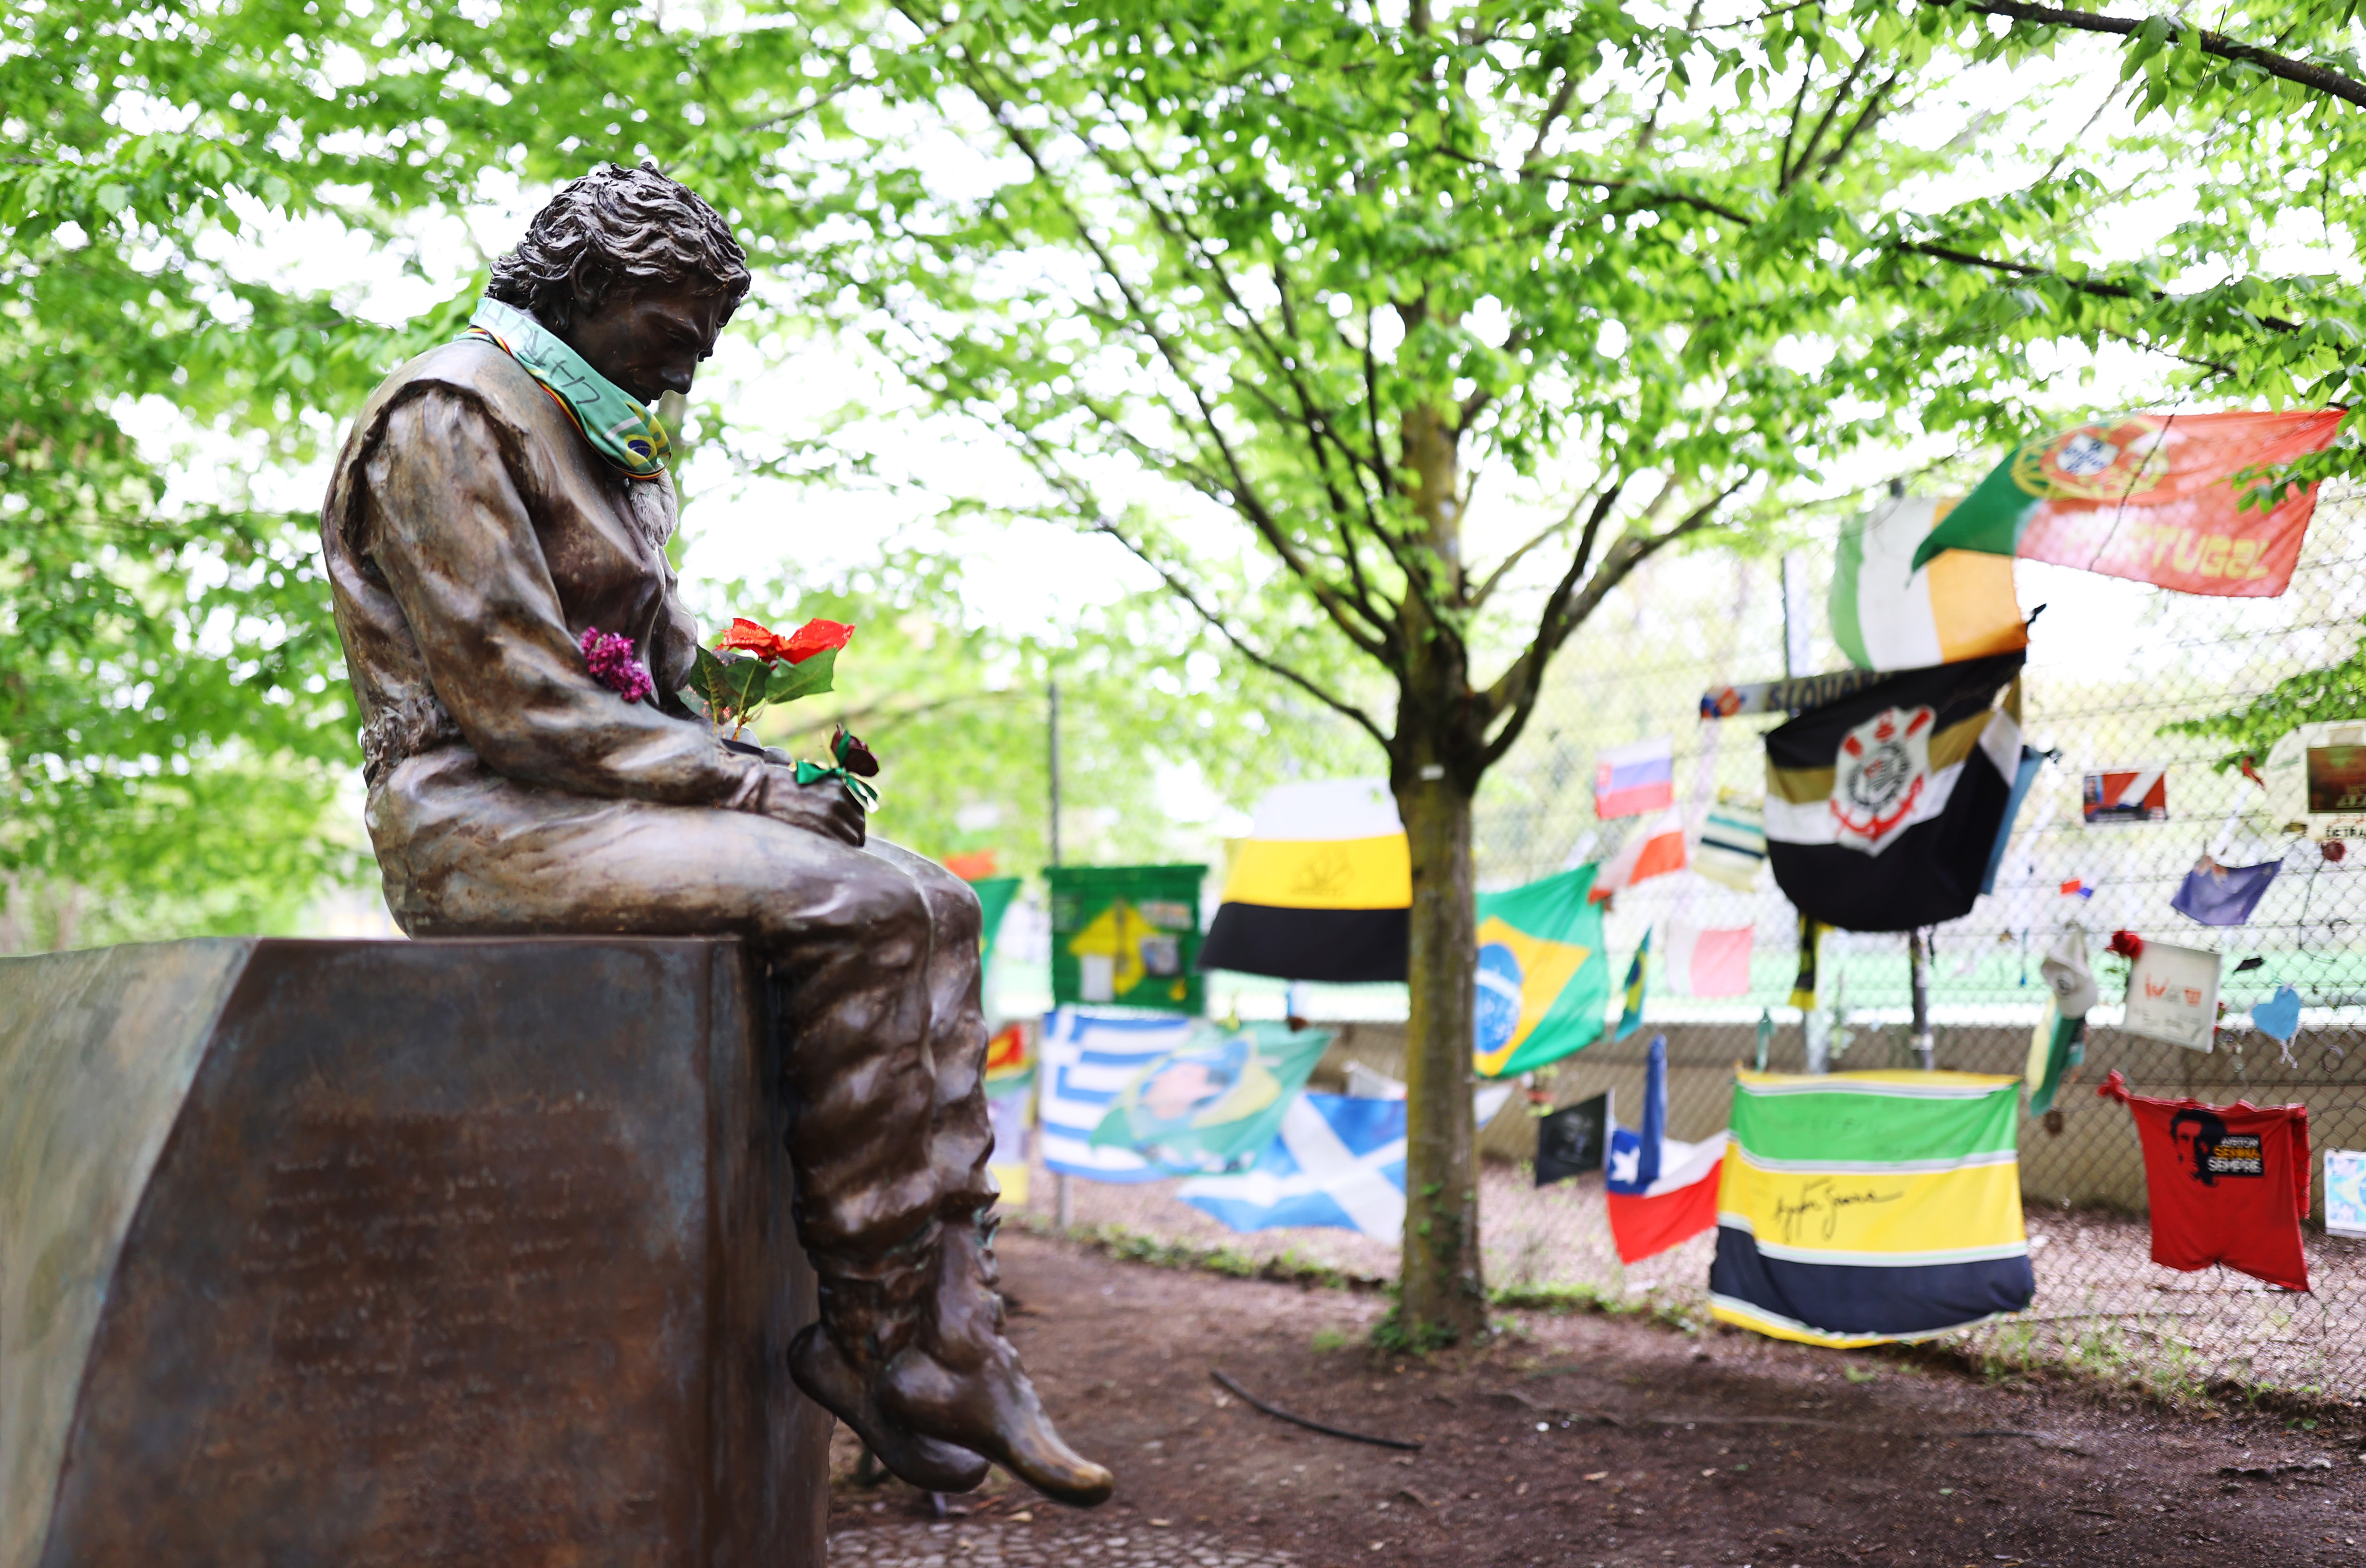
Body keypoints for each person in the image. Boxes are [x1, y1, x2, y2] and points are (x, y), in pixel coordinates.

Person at [319, 161, 1111, 1506]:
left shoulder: (605, 431)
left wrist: (767, 758)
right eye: (671, 339)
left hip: (591, 797)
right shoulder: (447, 416)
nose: (684, 376)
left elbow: (662, 662)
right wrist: (740, 790)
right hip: (478, 815)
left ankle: (949, 1325)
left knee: (929, 896)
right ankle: (874, 1335)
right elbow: (514, 698)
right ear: (590, 290)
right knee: (855, 905)